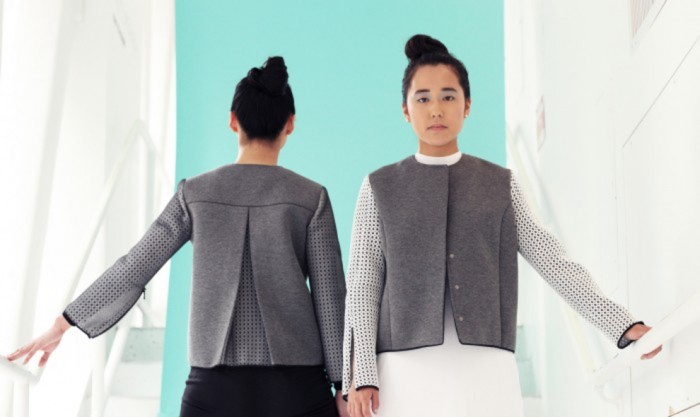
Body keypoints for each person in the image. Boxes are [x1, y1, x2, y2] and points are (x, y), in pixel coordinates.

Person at [6, 56, 350, 417]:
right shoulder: (311, 197)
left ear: (233, 121)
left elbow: (134, 267)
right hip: (297, 391)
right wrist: (345, 385)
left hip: (213, 392)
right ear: (290, 124)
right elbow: (330, 301)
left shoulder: (194, 194)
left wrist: (63, 323)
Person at [341, 34, 662, 417]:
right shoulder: (379, 186)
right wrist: (361, 374)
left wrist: (621, 325)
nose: (436, 110)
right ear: (406, 111)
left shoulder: (500, 184)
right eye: (422, 99)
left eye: (448, 96)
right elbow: (362, 286)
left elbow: (553, 261)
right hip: (401, 370)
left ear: (467, 105)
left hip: (486, 368)